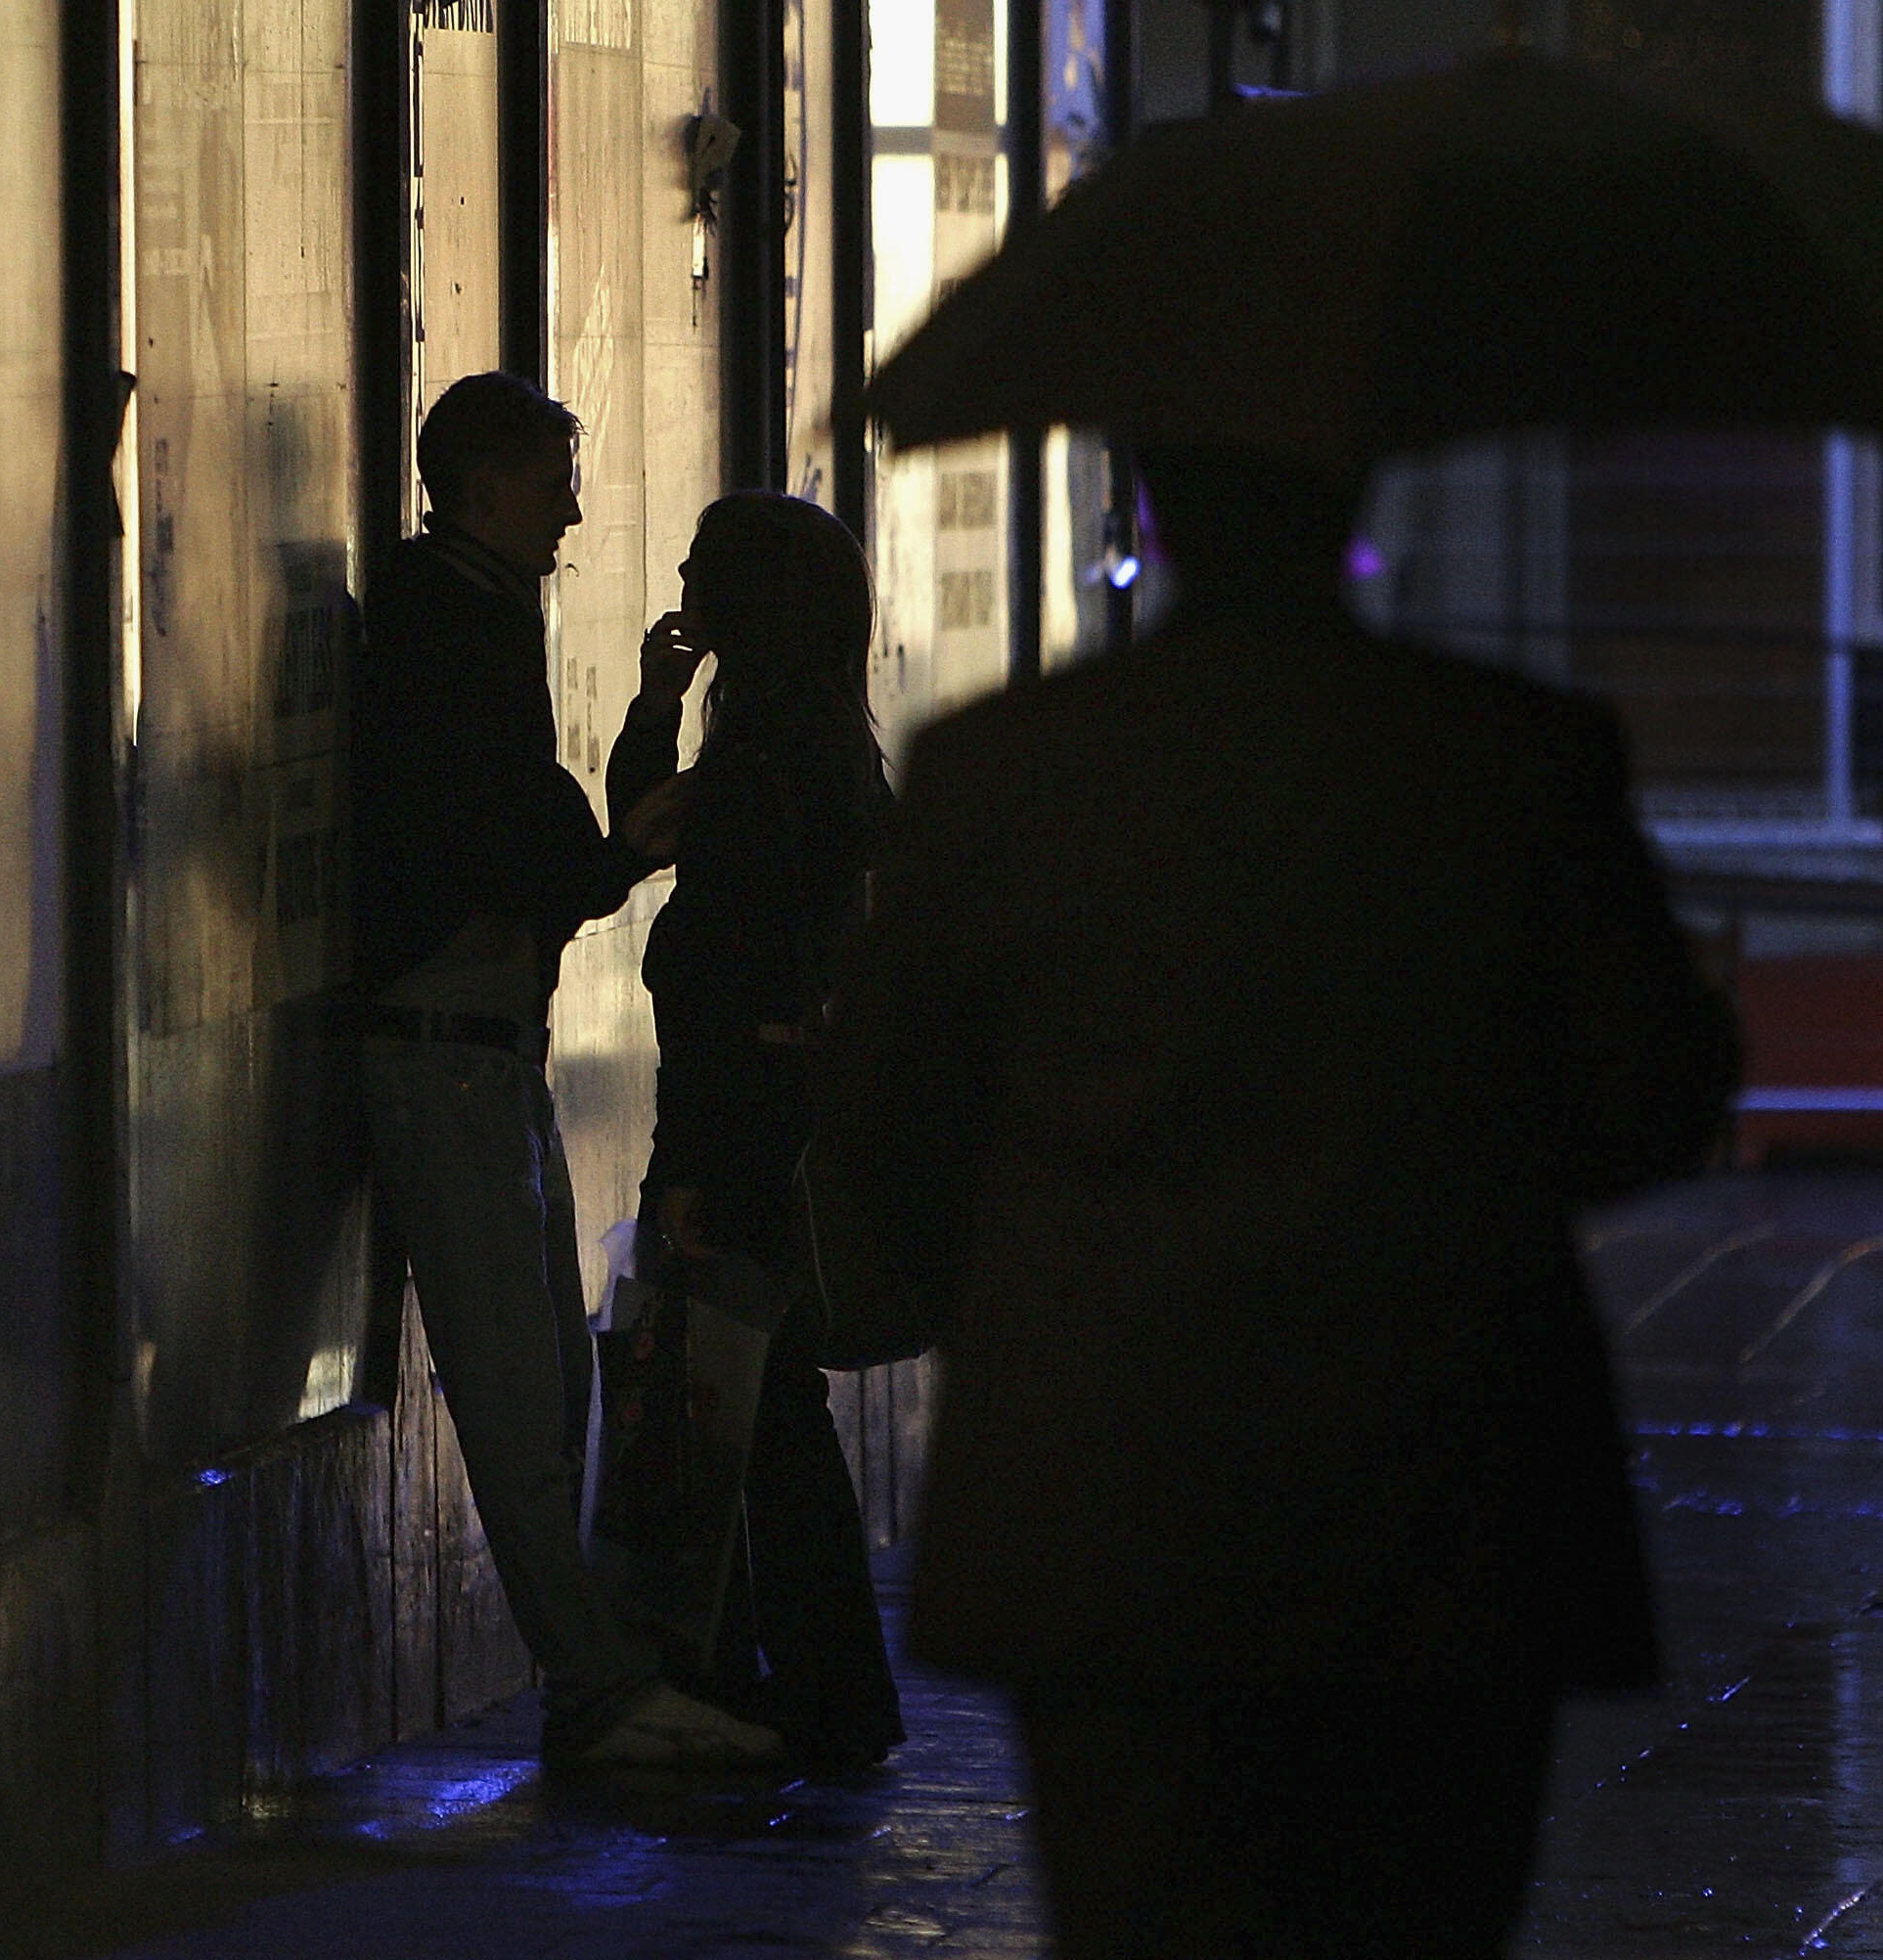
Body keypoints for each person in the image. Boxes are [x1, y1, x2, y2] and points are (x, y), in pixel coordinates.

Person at [812, 445, 1738, 1956]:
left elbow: (889, 1135)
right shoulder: (1512, 754)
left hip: (1114, 1491)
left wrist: (1042, 1281)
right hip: (1443, 1487)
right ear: (1356, 499)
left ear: (1158, 507)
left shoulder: (1006, 765)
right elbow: (1649, 1103)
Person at [351, 371, 782, 1771]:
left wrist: (604, 840)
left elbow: (521, 826)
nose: (574, 514)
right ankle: (598, 1691)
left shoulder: (469, 612)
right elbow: (502, 830)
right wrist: (612, 857)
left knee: (550, 1385)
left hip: (488, 1049)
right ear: (479, 492)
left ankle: (600, 1678)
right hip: (452, 1050)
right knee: (522, 1396)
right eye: (550, 486)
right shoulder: (450, 625)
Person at [600, 492, 906, 1771]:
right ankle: (799, 1683)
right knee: (766, 1403)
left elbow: (687, 938)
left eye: (698, 575)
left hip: (744, 1126)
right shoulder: (830, 755)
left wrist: (688, 1170)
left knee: (755, 1408)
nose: (677, 585)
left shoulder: (758, 779)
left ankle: (815, 1692)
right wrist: (663, 703)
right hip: (797, 1121)